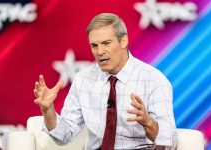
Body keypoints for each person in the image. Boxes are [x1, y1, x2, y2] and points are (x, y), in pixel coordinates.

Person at [34, 13, 177, 150]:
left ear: (123, 41)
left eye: (106, 43)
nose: (100, 52)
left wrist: (147, 122)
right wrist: (48, 110)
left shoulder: (154, 80)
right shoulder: (83, 80)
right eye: (94, 45)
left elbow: (169, 143)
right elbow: (64, 136)